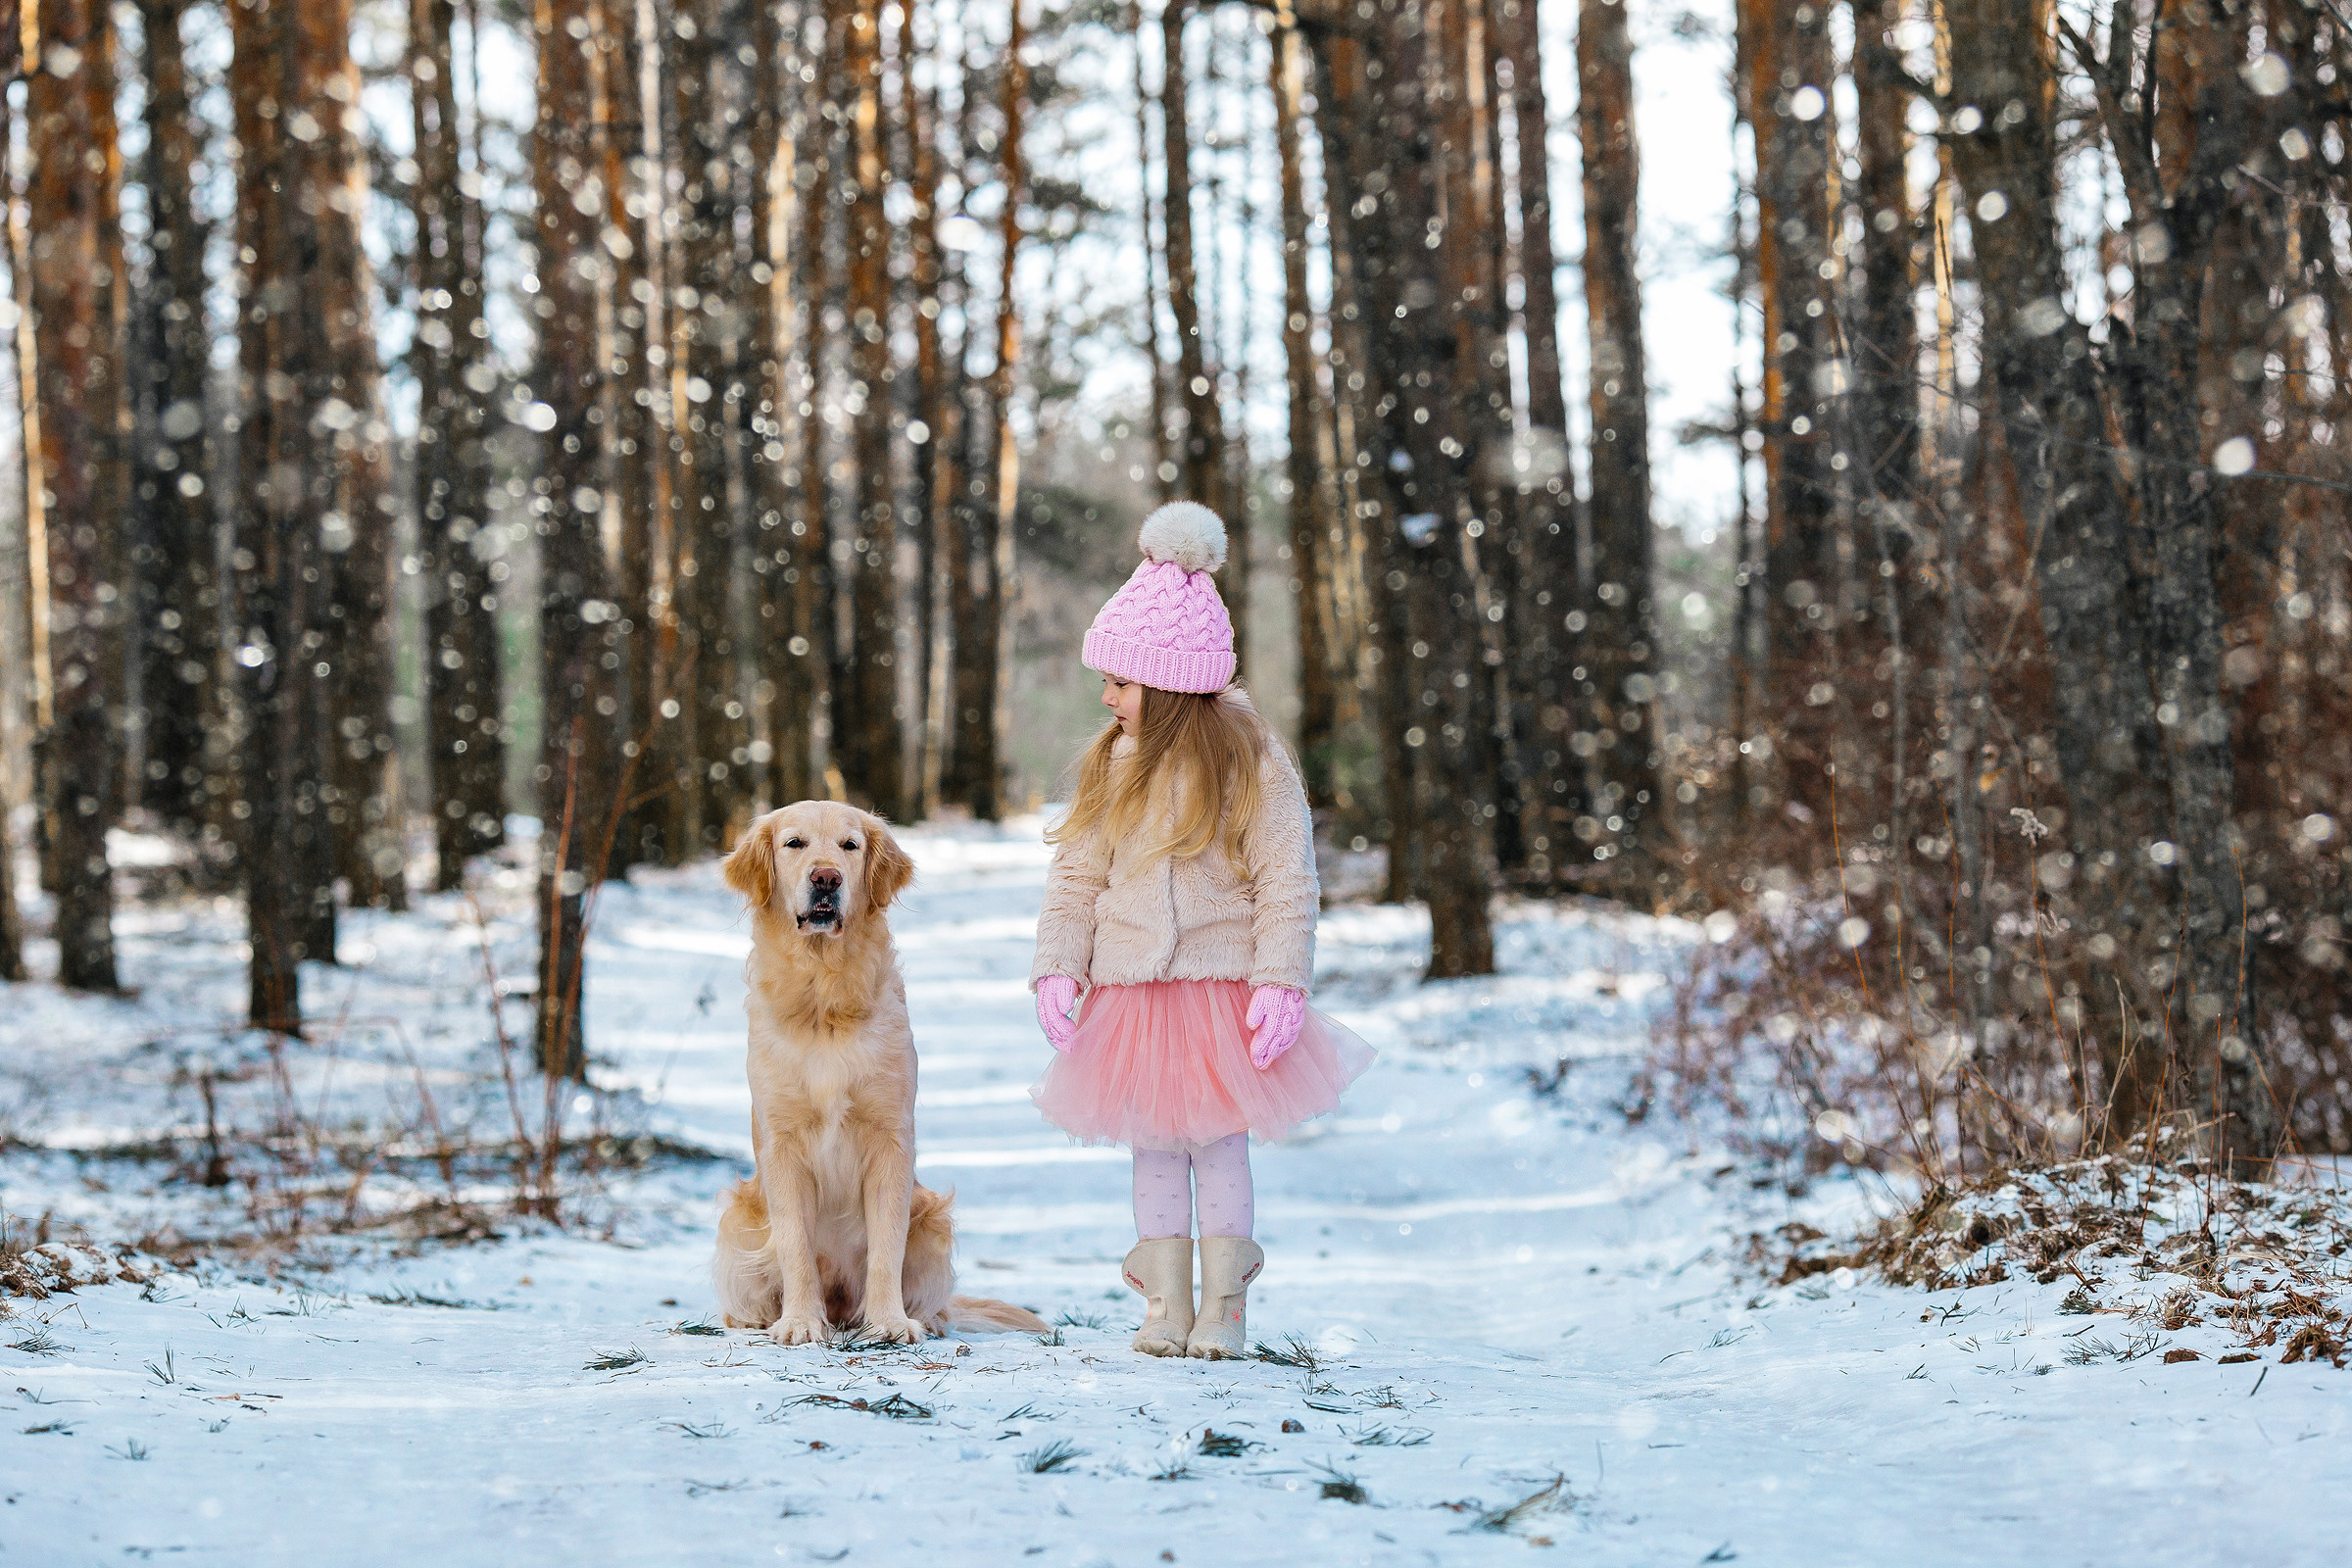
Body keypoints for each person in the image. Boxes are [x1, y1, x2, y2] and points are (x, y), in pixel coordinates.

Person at [1028, 501, 1374, 1359]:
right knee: (1153, 1147)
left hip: (1222, 989)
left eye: (1120, 682)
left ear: (1172, 683)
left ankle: (1224, 1305)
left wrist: (1281, 981)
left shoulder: (1250, 757)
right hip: (1134, 994)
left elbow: (1287, 879)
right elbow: (1078, 874)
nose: (1106, 698)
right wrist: (1057, 967)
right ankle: (1164, 1307)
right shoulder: (1114, 760)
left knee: (1218, 1146)